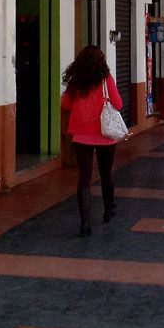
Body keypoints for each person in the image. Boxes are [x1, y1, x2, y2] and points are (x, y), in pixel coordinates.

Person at [61, 45, 121, 237]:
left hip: (80, 135)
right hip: (105, 135)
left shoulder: (76, 81)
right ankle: (108, 210)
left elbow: (65, 104)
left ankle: (85, 222)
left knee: (84, 178)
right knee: (106, 174)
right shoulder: (106, 79)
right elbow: (119, 103)